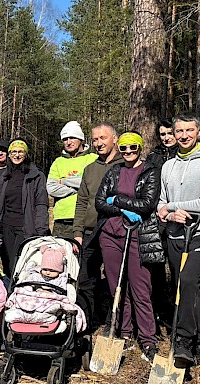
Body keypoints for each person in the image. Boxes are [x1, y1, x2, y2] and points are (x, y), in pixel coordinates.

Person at [157, 112, 200, 369]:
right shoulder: (168, 166)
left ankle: (184, 340)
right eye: (179, 131)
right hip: (176, 234)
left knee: (187, 280)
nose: (184, 136)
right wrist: (167, 212)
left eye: (189, 130)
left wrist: (170, 208)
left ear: (199, 131)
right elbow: (160, 204)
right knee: (186, 287)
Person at [94, 132, 164, 362]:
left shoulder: (150, 171)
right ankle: (123, 333)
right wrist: (122, 209)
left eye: (133, 148)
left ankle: (148, 340)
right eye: (123, 149)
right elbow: (100, 202)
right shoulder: (114, 171)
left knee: (140, 289)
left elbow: (146, 204)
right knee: (116, 288)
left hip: (138, 236)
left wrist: (118, 200)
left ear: (140, 148)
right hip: (110, 235)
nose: (128, 152)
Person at [71, 123, 123, 327]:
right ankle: (87, 320)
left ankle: (115, 322)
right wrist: (78, 231)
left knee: (114, 280)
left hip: (115, 231)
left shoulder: (124, 166)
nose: (99, 143)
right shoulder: (90, 169)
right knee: (85, 280)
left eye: (103, 138)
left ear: (114, 139)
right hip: (90, 232)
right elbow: (82, 201)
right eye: (95, 139)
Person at [0, 138, 50, 277]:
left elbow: (41, 204)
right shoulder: (5, 176)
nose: (16, 155)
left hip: (25, 227)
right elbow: (1, 203)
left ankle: (19, 294)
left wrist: (41, 230)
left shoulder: (36, 176)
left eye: (20, 152)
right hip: (7, 226)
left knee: (20, 265)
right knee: (8, 265)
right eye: (13, 152)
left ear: (26, 154)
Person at [4, 245, 86, 332]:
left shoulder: (61, 279)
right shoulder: (35, 275)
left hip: (50, 299)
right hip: (33, 297)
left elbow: (61, 292)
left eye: (52, 270)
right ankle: (20, 314)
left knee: (54, 306)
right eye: (45, 269)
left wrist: (51, 293)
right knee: (20, 298)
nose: (47, 272)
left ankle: (46, 316)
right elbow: (26, 285)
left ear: (59, 270)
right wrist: (30, 290)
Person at [144, 119, 177, 327]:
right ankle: (157, 309)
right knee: (155, 266)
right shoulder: (153, 156)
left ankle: (177, 310)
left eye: (169, 133)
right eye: (162, 134)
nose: (166, 138)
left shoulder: (182, 155)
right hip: (156, 218)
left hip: (177, 216)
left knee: (176, 268)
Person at [47, 121, 98, 238]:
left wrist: (64, 181)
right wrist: (79, 188)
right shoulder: (58, 162)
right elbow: (51, 189)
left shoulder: (93, 159)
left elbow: (92, 184)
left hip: (86, 219)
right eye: (65, 139)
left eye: (72, 138)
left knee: (83, 255)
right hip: (62, 220)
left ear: (81, 139)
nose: (68, 142)